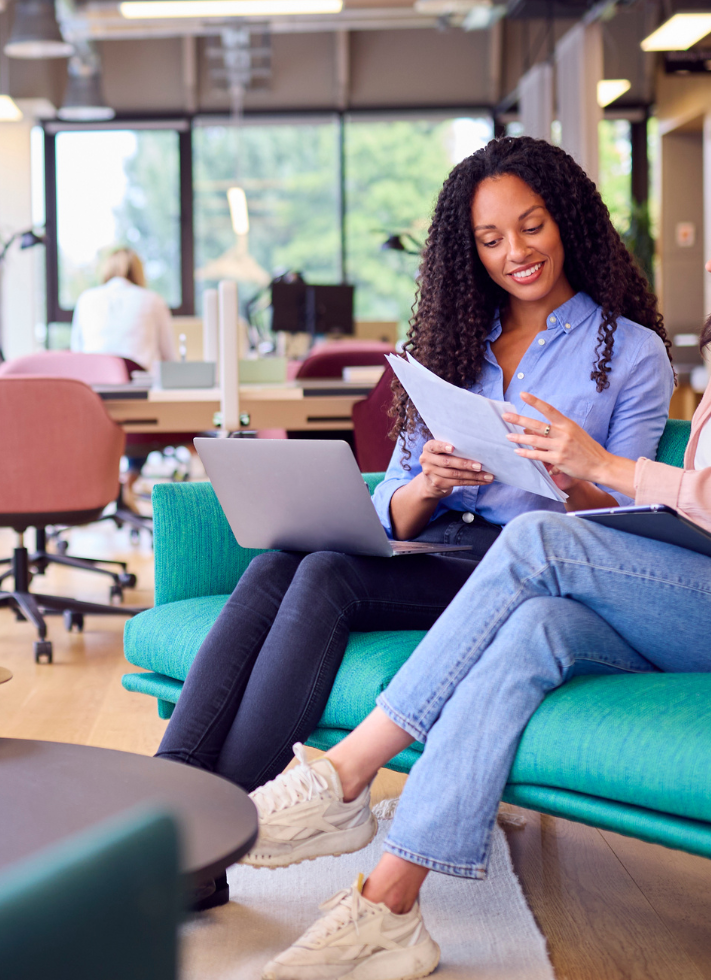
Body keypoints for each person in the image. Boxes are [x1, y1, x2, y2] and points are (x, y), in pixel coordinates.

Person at [241, 154, 711, 980]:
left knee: (545, 542)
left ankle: (348, 772)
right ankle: (390, 906)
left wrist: (605, 469)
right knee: (536, 626)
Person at [154, 137, 675, 903]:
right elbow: (390, 499)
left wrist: (570, 469)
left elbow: (630, 519)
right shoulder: (454, 340)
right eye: (490, 240)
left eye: (530, 227)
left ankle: (213, 841)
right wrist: (428, 483)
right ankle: (161, 814)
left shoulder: (630, 353)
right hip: (434, 542)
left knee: (328, 575)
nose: (515, 253)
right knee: (276, 564)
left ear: (567, 221)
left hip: (520, 560)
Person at [71, 247, 178, 504]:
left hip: (92, 414)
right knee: (138, 410)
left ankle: (117, 485)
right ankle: (128, 480)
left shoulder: (86, 299)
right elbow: (170, 360)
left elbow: (76, 357)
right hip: (143, 419)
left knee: (119, 416)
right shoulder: (152, 300)